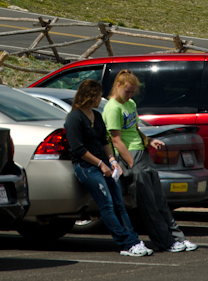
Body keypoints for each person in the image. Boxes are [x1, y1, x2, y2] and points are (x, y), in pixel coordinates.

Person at [103, 69, 197, 253]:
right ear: (118, 86)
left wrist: (149, 141)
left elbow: (135, 129)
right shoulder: (112, 108)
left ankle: (177, 238)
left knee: (159, 200)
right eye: (127, 91)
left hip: (142, 153)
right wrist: (131, 163)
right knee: (148, 204)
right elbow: (115, 140)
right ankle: (166, 242)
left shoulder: (130, 104)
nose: (130, 95)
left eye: (133, 92)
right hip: (130, 156)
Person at [64, 79, 152, 257]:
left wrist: (111, 160)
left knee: (119, 204)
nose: (100, 98)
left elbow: (104, 141)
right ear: (90, 95)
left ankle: (133, 240)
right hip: (87, 167)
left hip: (104, 165)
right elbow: (78, 149)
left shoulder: (96, 116)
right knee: (107, 205)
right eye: (97, 94)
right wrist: (100, 164)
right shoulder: (74, 118)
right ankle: (126, 244)